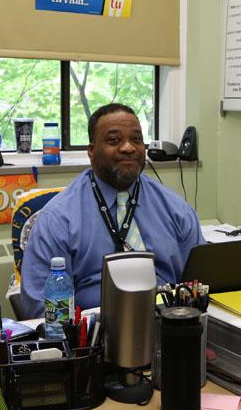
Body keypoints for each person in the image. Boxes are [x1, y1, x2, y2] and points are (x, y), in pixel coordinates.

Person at [20, 103, 204, 318]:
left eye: (136, 139)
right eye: (114, 140)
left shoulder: (175, 208)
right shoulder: (58, 219)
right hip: (95, 333)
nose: (128, 148)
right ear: (91, 151)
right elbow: (41, 306)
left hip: (170, 325)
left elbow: (199, 283)